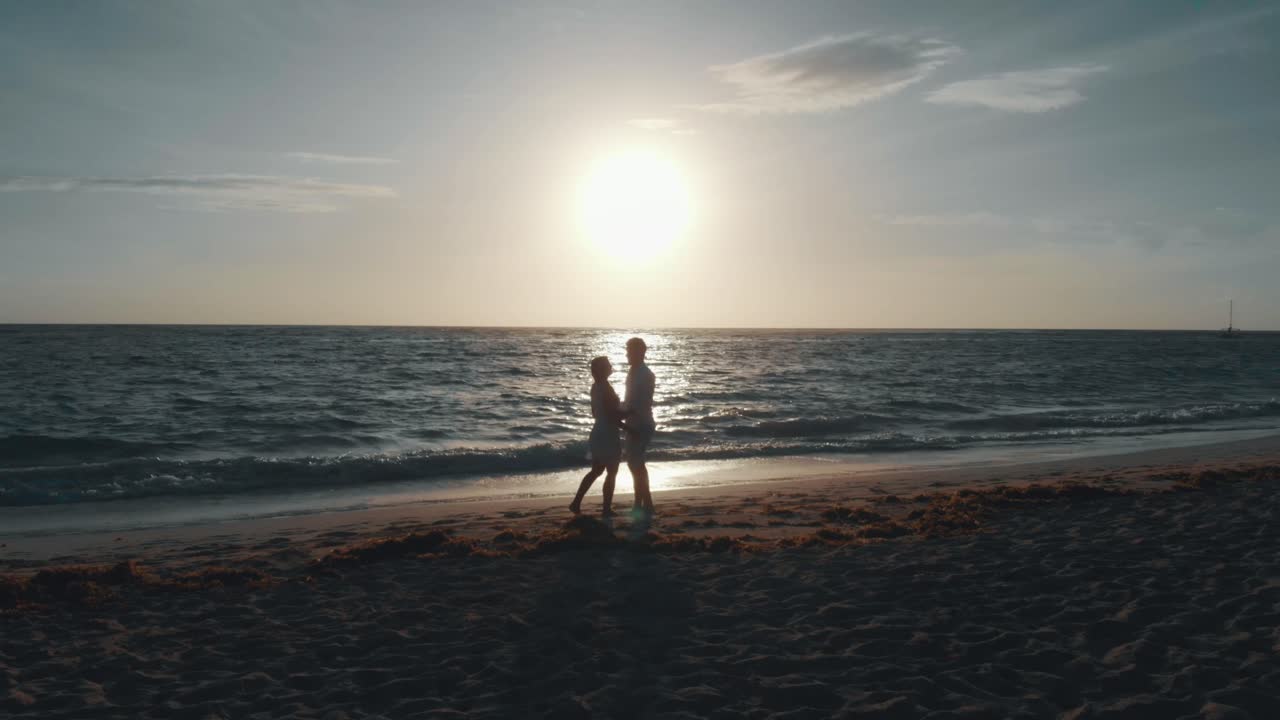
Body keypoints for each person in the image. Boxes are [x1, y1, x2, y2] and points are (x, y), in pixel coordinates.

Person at [569, 356, 626, 516]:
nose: (610, 366)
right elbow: (612, 414)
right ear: (601, 369)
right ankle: (606, 508)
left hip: (598, 431)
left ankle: (576, 502)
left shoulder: (595, 387)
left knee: (596, 470)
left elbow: (595, 413)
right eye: (607, 365)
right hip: (607, 433)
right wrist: (628, 421)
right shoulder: (606, 388)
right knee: (611, 471)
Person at [622, 337, 656, 514]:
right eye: (627, 350)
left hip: (641, 424)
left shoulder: (644, 374)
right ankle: (644, 502)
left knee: (636, 465)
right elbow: (630, 401)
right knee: (636, 464)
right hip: (636, 422)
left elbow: (638, 403)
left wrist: (619, 414)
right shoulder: (634, 371)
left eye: (630, 351)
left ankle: (642, 503)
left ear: (640, 352)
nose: (627, 354)